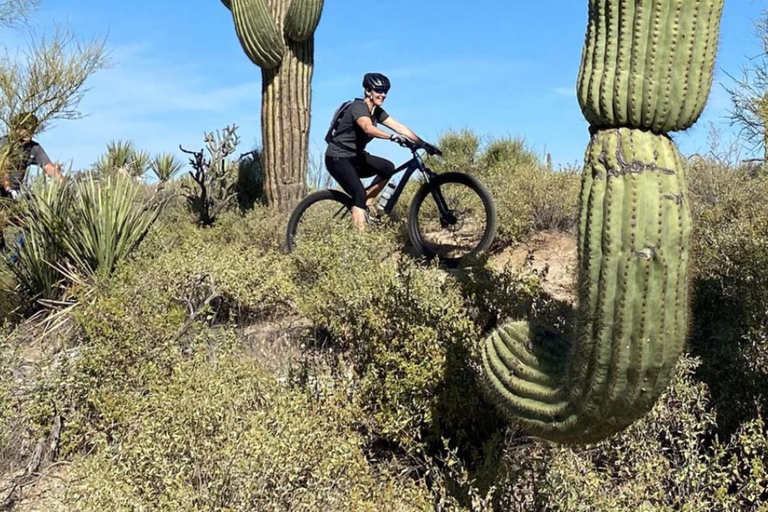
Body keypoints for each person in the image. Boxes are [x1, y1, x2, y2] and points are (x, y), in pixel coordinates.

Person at [325, 72, 428, 228]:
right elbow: (367, 128)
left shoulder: (377, 112)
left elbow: (400, 127)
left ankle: (368, 204)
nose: (383, 94)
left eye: (385, 91)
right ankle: (362, 243)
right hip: (337, 158)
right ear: (368, 91)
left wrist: (423, 144)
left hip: (355, 157)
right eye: (379, 90)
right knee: (358, 193)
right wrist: (391, 137)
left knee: (387, 168)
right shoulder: (358, 107)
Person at [0, 111, 63, 199]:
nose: (29, 132)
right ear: (16, 128)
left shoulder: (34, 148)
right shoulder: (3, 143)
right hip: (4, 189)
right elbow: (4, 169)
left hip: (14, 193)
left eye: (32, 129)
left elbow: (49, 167)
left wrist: (62, 182)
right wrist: (8, 189)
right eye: (25, 128)